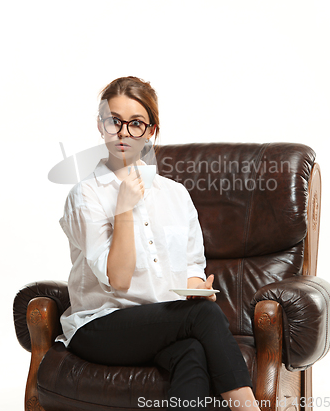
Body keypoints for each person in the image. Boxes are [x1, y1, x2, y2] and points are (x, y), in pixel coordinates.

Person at [57, 76, 260, 410]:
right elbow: (119, 281)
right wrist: (123, 207)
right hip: (99, 326)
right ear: (101, 125)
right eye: (114, 121)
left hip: (161, 323)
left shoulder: (175, 195)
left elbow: (190, 267)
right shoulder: (85, 195)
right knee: (203, 316)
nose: (123, 132)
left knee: (192, 351)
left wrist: (197, 286)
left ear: (151, 131)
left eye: (136, 123)